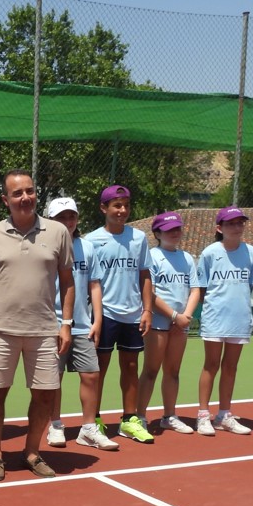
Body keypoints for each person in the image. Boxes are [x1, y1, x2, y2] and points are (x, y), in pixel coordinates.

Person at [0, 170, 75, 480]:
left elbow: (68, 280)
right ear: (6, 200)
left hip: (45, 329)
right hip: (0, 329)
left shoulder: (58, 231)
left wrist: (67, 324)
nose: (25, 198)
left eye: (30, 191)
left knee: (46, 394)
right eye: (17, 193)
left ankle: (32, 452)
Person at [45, 197, 119, 451]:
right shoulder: (45, 247)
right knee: (53, 378)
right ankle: (55, 425)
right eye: (61, 217)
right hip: (52, 325)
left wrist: (97, 320)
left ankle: (88, 429)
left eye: (71, 216)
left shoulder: (87, 248)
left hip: (82, 325)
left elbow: (94, 284)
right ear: (51, 220)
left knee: (91, 375)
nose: (68, 222)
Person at [84, 185, 154, 444]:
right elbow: (89, 282)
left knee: (131, 366)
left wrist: (147, 310)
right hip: (104, 315)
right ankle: (96, 419)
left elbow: (145, 274)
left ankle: (129, 420)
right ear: (104, 208)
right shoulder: (92, 240)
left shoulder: (138, 239)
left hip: (133, 314)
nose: (122, 210)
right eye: (116, 205)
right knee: (99, 369)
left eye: (125, 205)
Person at [193, 206, 253, 436]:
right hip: (214, 318)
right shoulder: (210, 253)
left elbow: (250, 285)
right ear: (220, 228)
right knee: (211, 365)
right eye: (231, 223)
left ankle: (224, 415)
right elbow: (201, 288)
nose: (237, 227)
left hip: (240, 319)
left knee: (230, 367)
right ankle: (203, 415)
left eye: (240, 223)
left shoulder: (252, 253)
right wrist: (209, 310)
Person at [136, 212, 200, 434]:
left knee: (173, 371)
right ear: (158, 233)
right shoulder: (152, 257)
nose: (175, 233)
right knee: (151, 370)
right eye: (169, 229)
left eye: (178, 229)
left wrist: (185, 317)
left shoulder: (187, 258)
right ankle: (140, 417)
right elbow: (150, 293)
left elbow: (195, 289)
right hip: (158, 323)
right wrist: (174, 316)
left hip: (180, 324)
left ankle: (169, 416)